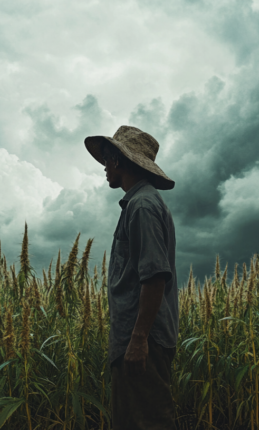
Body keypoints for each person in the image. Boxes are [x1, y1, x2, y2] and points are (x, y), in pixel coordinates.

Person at [84, 126, 179, 430]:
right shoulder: (140, 204)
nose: (104, 168)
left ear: (120, 162)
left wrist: (137, 340)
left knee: (147, 422)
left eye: (107, 161)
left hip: (142, 341)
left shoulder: (142, 206)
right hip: (138, 339)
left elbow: (154, 277)